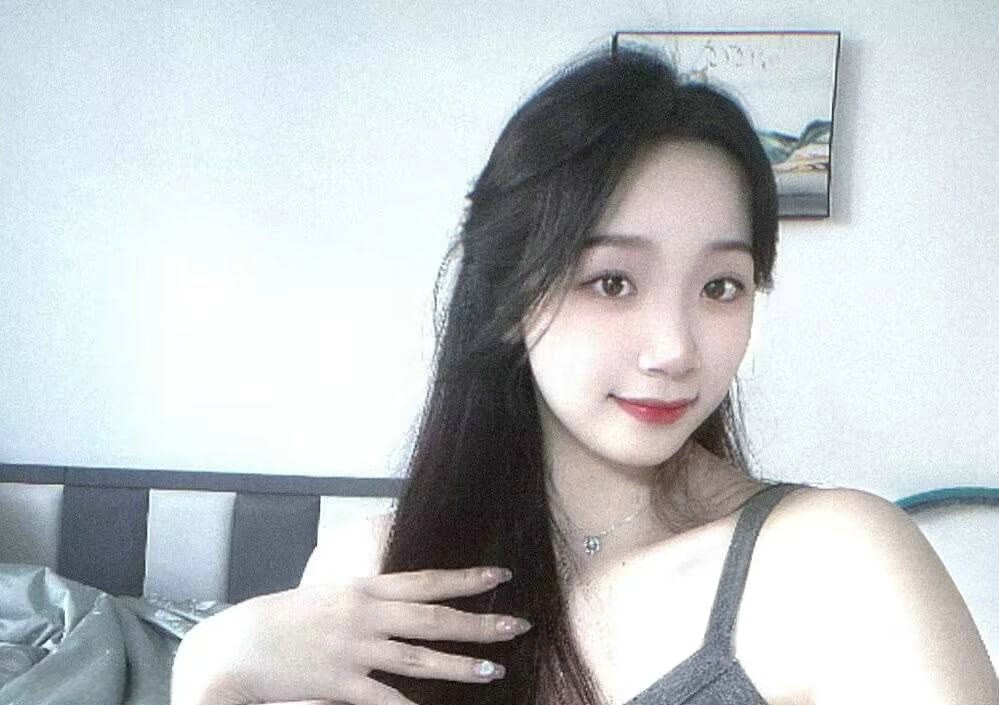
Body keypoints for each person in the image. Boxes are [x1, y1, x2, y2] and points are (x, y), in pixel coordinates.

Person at [171, 48, 998, 705]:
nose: (673, 348)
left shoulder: (833, 562)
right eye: (611, 281)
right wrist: (211, 669)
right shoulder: (371, 574)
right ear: (509, 295)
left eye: (720, 286)